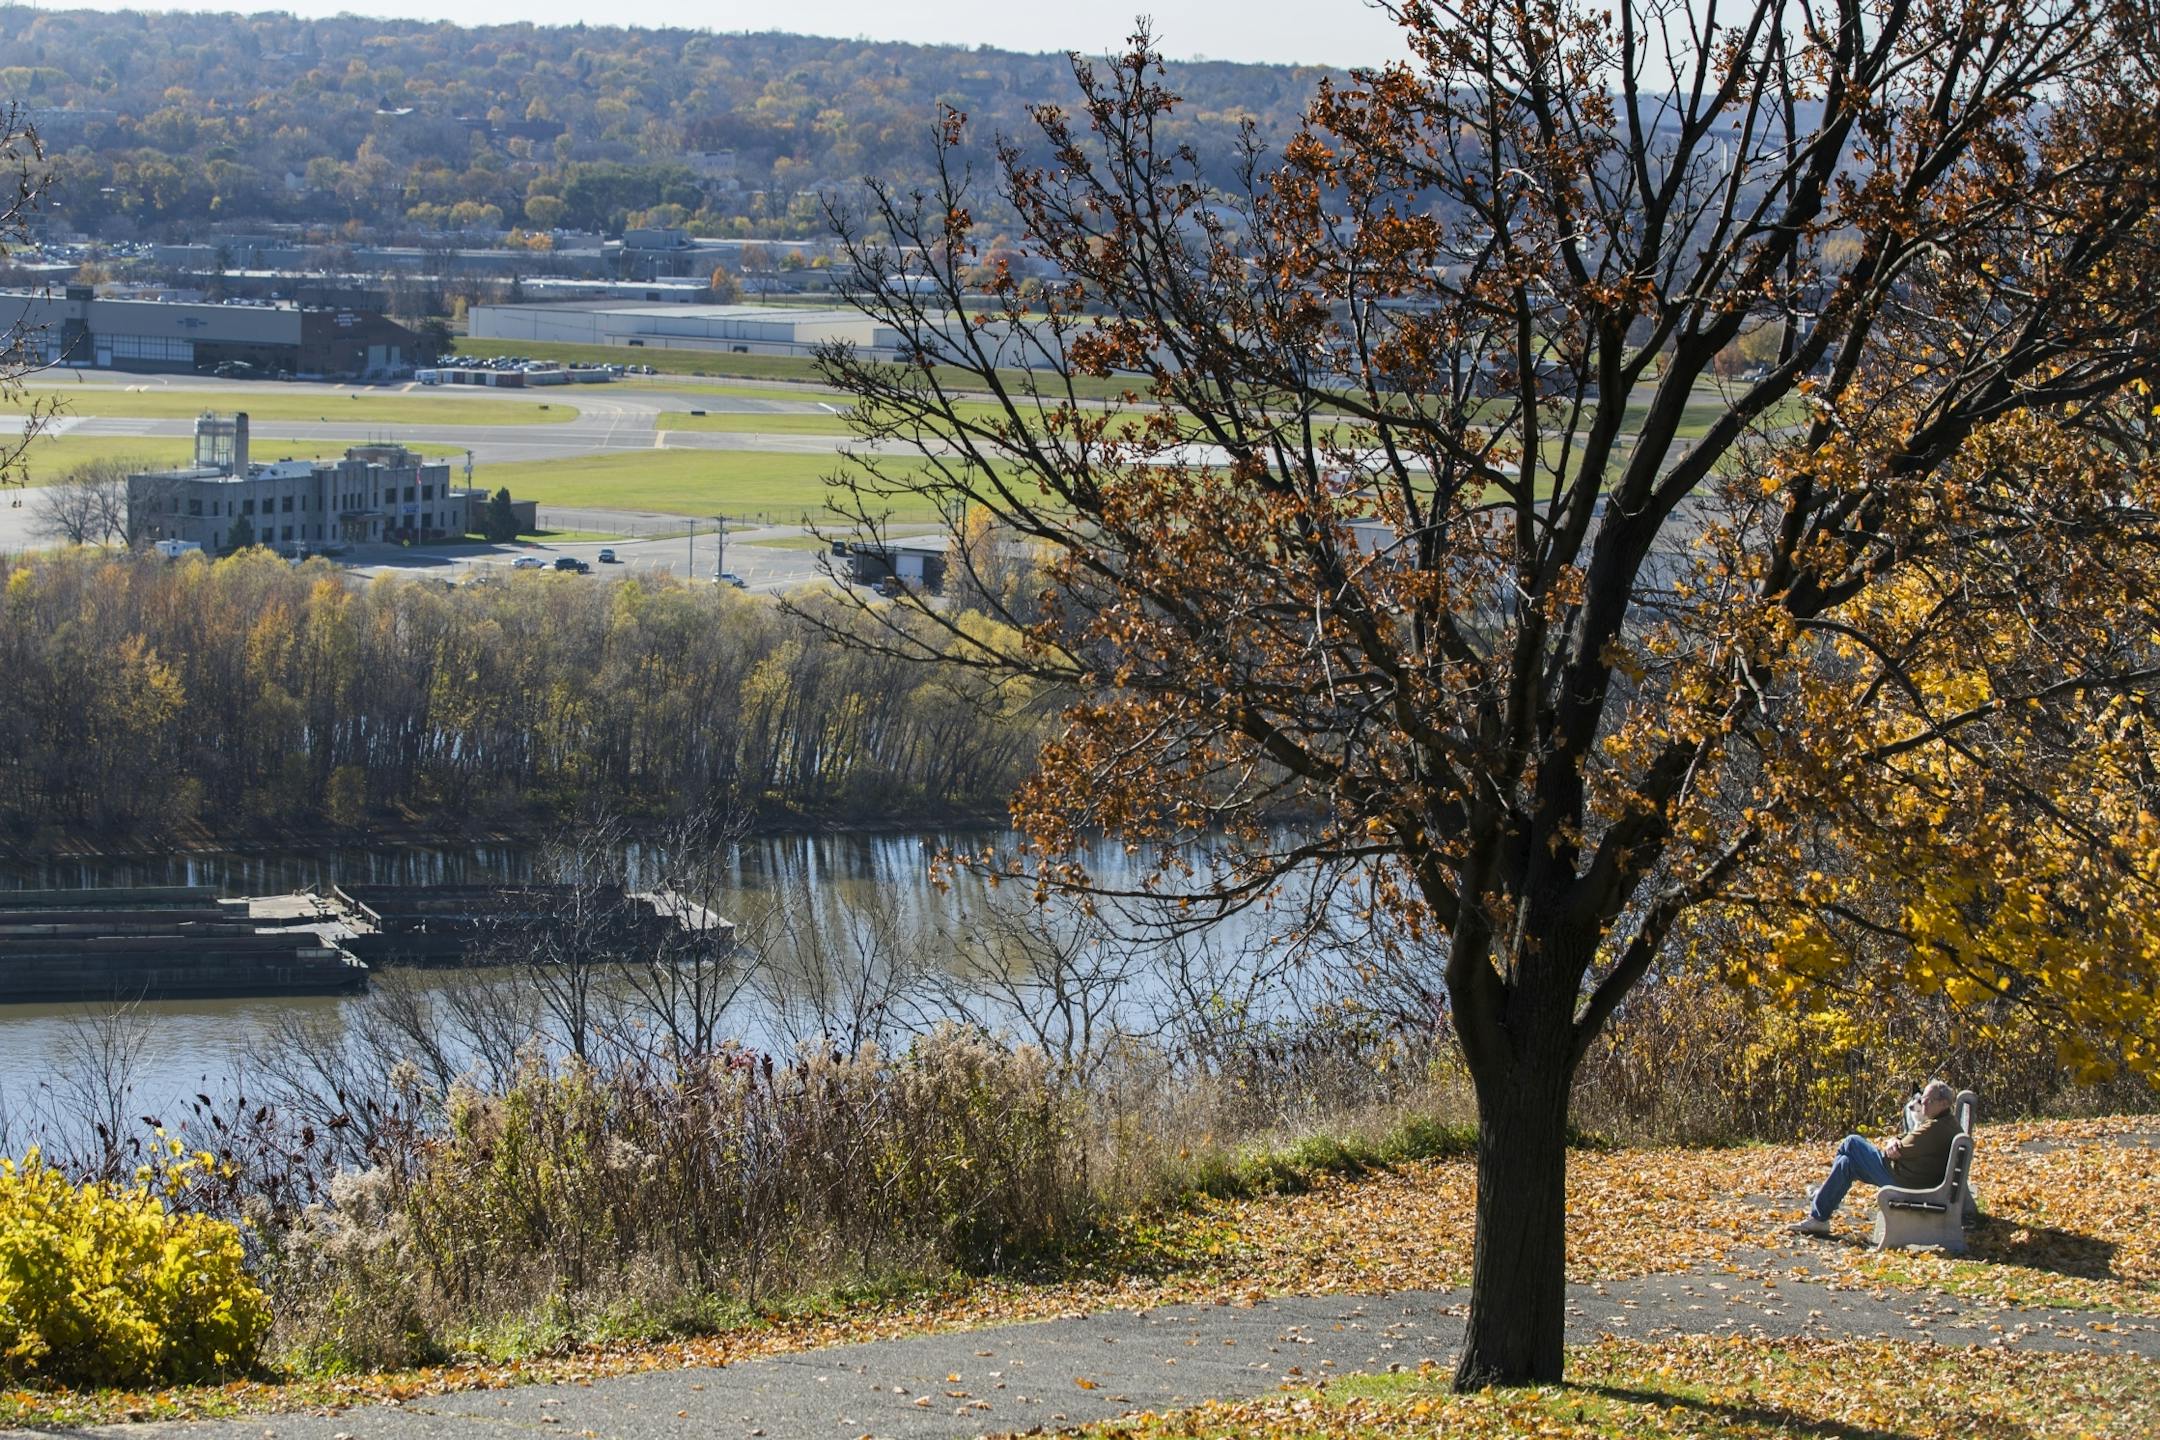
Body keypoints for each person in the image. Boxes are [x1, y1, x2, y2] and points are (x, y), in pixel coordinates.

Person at [1790, 1079, 1960, 1236]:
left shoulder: (1934, 1128)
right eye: (1923, 1098)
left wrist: (1892, 1143)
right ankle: (1820, 1216)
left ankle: (1822, 1205)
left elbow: (1895, 1151)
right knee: (1847, 1163)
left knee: (1851, 1143)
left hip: (1905, 1183)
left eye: (1928, 1100)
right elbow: (1906, 1140)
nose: (1923, 1103)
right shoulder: (1945, 1123)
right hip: (1914, 1178)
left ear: (1944, 1103)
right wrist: (1895, 1139)